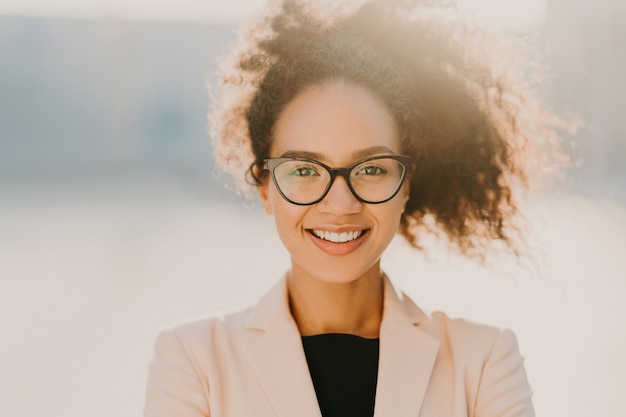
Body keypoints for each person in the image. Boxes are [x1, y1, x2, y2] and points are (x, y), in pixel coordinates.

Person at [144, 0, 567, 416]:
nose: (341, 203)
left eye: (370, 169)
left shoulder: (484, 363)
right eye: (306, 171)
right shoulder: (194, 363)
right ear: (264, 188)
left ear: (406, 184)